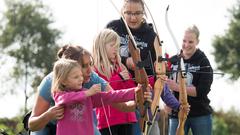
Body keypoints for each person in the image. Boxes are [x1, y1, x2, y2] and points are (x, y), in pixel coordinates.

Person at [28, 44, 152, 135]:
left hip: (79, 125)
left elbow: (116, 100)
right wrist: (48, 115)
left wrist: (137, 96)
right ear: (68, 71)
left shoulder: (92, 78)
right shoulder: (51, 82)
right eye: (84, 66)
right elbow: (32, 125)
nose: (90, 71)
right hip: (48, 123)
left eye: (90, 64)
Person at [106, 0, 182, 134]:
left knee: (148, 129)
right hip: (119, 88)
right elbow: (102, 53)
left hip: (144, 92)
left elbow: (155, 67)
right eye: (128, 13)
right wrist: (125, 61)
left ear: (144, 13)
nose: (133, 17)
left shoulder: (151, 35)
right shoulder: (113, 27)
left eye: (137, 13)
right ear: (122, 12)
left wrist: (161, 69)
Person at [51, 58, 142, 135]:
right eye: (76, 77)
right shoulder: (59, 95)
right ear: (63, 81)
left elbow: (111, 96)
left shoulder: (88, 94)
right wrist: (88, 93)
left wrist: (134, 92)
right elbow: (66, 99)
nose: (81, 79)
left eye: (80, 76)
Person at [166, 24, 213, 135]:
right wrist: (167, 103)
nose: (186, 45)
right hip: (177, 113)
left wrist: (177, 87)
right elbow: (164, 85)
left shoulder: (203, 61)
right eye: (184, 41)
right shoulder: (173, 60)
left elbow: (201, 91)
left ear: (197, 41)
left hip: (200, 114)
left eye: (191, 42)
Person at [92, 28, 137, 135]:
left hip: (128, 118)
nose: (115, 49)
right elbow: (102, 88)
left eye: (117, 47)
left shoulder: (120, 66)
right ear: (101, 47)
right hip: (108, 121)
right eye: (112, 46)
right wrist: (119, 78)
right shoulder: (96, 69)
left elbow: (130, 89)